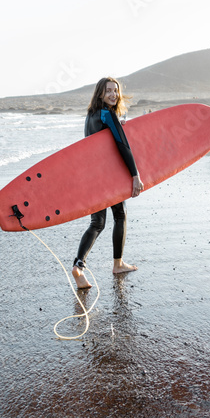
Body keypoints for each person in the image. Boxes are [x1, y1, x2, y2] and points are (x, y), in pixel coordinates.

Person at [72, 77, 143, 289]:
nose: (113, 94)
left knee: (97, 223)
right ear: (100, 93)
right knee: (120, 215)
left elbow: (101, 138)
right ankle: (118, 264)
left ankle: (78, 265)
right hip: (109, 176)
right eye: (109, 91)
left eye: (116, 90)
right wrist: (135, 174)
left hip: (92, 176)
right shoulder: (108, 114)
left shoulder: (92, 115)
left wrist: (116, 124)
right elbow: (122, 145)